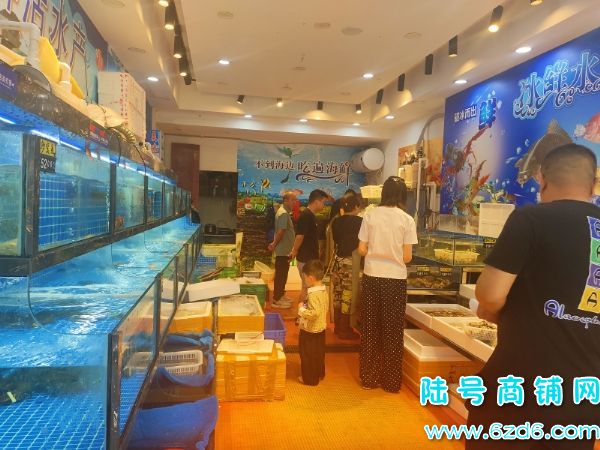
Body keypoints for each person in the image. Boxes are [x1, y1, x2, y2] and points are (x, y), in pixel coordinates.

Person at [468, 144, 600, 450]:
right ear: (593, 183)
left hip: (521, 386)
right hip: (583, 395)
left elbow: (490, 295)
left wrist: (496, 311)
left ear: (542, 178)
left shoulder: (531, 219)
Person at [357, 176, 417, 392]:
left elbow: (361, 249)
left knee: (370, 328)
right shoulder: (407, 220)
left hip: (372, 276)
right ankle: (391, 383)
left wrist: (375, 251)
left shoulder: (370, 215)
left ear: (384, 194)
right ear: (403, 196)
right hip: (396, 280)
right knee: (392, 331)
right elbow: (407, 257)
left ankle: (369, 378)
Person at [331, 193, 363, 340]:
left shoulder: (336, 222)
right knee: (348, 294)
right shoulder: (360, 222)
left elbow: (336, 240)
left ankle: (337, 326)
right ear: (356, 206)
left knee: (337, 292)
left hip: (337, 261)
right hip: (351, 261)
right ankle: (345, 329)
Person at [289, 189, 328, 303]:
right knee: (307, 288)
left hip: (309, 258)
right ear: (316, 202)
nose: (324, 205)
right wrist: (294, 251)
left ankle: (305, 312)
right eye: (323, 202)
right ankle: (303, 312)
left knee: (308, 288)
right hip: (305, 258)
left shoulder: (311, 215)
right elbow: (299, 236)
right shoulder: (306, 215)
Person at [297, 259, 328, 386]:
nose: (304, 280)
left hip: (310, 330)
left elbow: (314, 313)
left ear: (310, 278)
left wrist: (301, 309)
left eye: (304, 278)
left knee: (307, 355)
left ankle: (310, 379)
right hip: (321, 329)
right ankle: (319, 373)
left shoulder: (313, 294)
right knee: (318, 353)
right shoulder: (323, 290)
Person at [268, 192, 296, 309]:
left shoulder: (284, 212)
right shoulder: (283, 213)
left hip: (285, 251)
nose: (294, 203)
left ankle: (281, 295)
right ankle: (276, 300)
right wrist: (274, 244)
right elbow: (281, 231)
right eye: (292, 200)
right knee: (280, 275)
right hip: (282, 251)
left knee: (283, 275)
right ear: (285, 201)